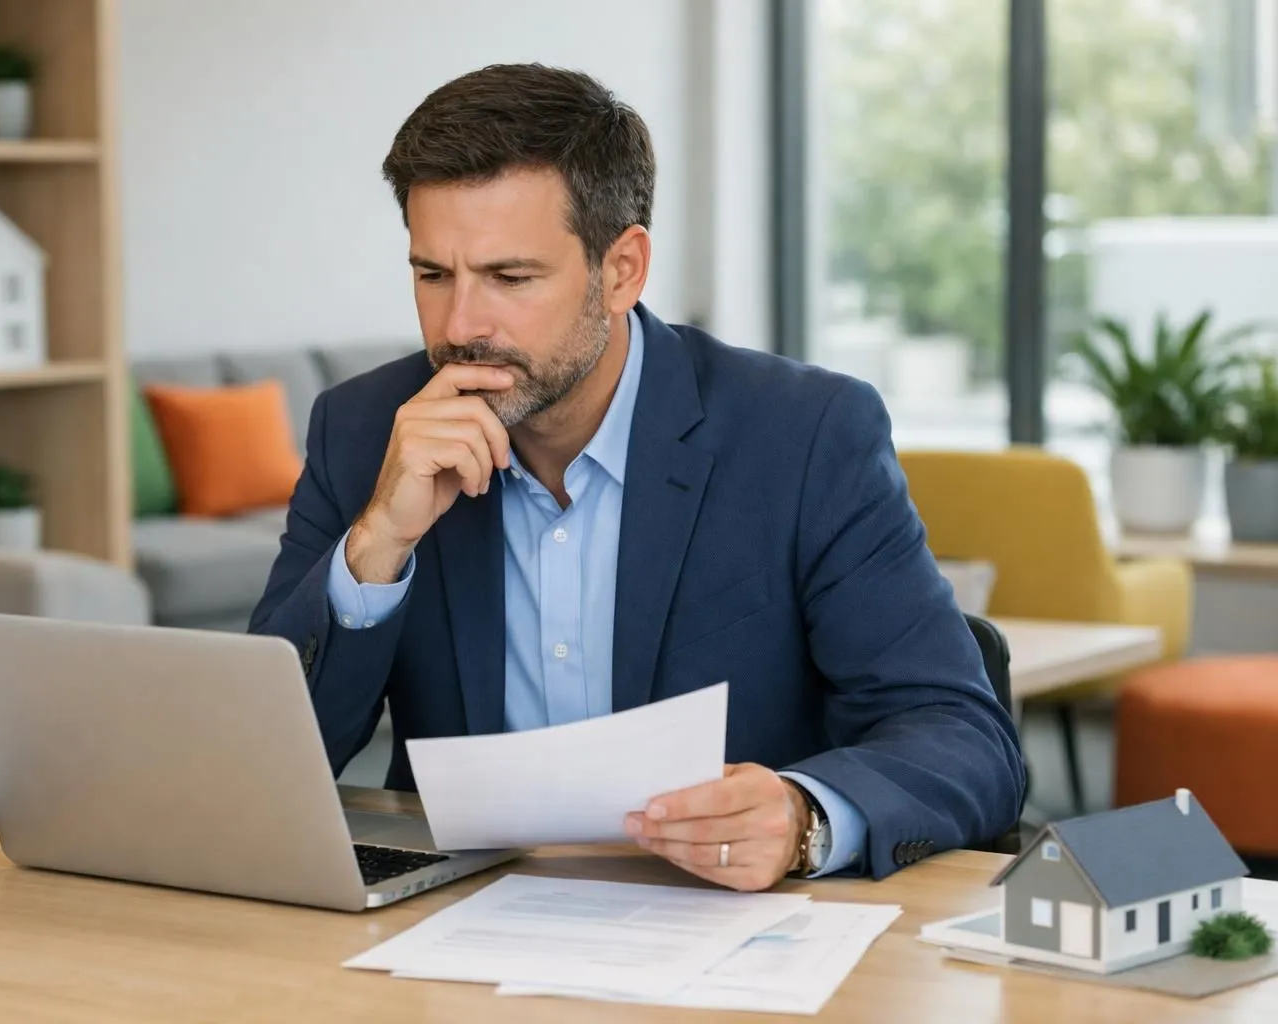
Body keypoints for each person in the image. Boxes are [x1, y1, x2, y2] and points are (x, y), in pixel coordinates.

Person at [249, 63, 1025, 892]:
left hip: (731, 925)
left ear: (622, 269)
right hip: (453, 920)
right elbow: (257, 771)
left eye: (510, 278)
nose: (461, 325)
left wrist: (804, 817)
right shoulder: (365, 430)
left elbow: (963, 737)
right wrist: (378, 543)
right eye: (433, 275)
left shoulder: (805, 434)